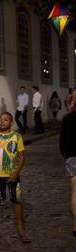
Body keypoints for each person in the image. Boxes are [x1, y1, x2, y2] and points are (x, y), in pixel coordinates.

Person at [0, 112, 31, 243]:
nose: (2, 122)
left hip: (12, 176)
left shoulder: (16, 137)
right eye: (0, 120)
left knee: (16, 200)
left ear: (11, 122)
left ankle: (21, 227)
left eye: (5, 120)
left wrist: (16, 173)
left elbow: (22, 157)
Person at [60, 91, 76, 237]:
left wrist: (65, 154)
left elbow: (62, 141)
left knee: (75, 191)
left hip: (72, 157)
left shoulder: (67, 119)